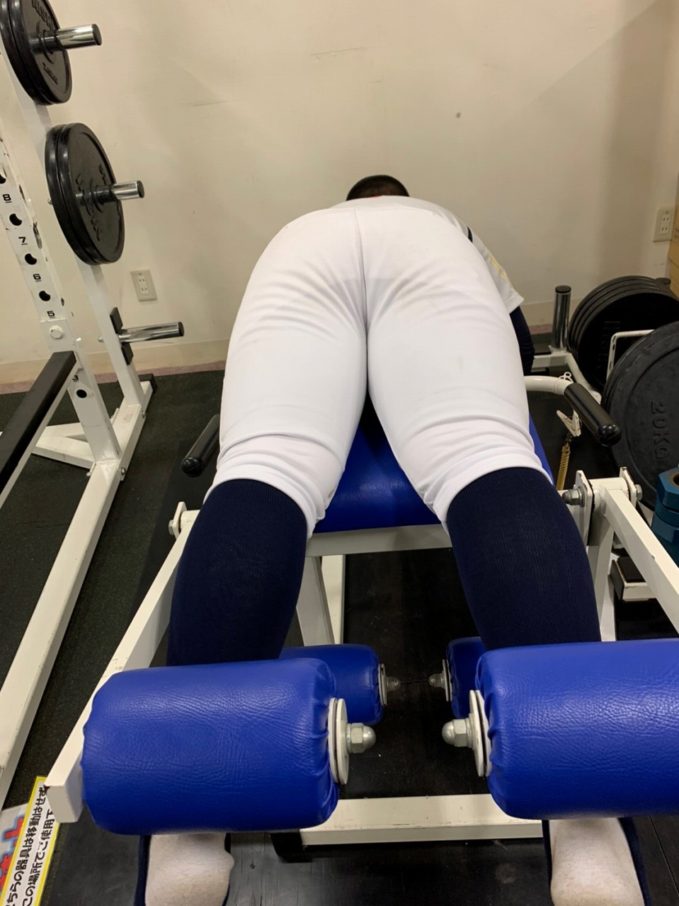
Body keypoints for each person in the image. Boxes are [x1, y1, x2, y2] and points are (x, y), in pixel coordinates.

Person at [137, 176, 649, 906]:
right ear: (401, 195)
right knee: (483, 454)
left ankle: (188, 835)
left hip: (295, 264)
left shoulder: (308, 225)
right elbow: (514, 343)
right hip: (428, 260)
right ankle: (586, 830)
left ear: (351, 200)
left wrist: (355, 391)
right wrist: (412, 394)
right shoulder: (446, 224)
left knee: (267, 466)